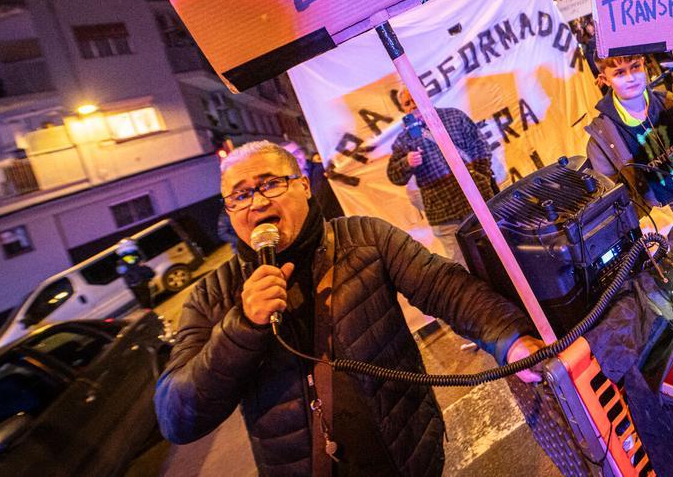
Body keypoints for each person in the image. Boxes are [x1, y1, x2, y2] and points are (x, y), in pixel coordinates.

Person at [156, 141, 539, 477]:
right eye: (239, 196)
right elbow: (177, 417)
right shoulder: (211, 295)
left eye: (270, 184)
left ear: (303, 185)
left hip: (407, 458)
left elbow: (445, 287)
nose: (256, 202)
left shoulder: (366, 238)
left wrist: (511, 340)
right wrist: (242, 326)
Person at [584, 54, 673, 223]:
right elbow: (615, 200)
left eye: (635, 67)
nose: (631, 78)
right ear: (605, 79)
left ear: (643, 64)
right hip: (664, 230)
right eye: (619, 73)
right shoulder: (602, 140)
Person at [386, 89, 493, 266]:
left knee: (499, 254)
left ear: (425, 96)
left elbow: (481, 147)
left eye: (415, 99)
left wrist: (479, 179)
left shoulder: (453, 116)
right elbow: (394, 176)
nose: (413, 105)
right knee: (465, 267)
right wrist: (407, 162)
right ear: (403, 110)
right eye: (407, 103)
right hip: (444, 217)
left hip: (479, 202)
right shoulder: (405, 140)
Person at [115, 238, 155, 310]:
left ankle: (149, 315)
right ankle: (151, 316)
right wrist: (150, 273)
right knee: (146, 302)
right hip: (139, 282)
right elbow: (139, 268)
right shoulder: (130, 258)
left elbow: (124, 272)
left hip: (132, 285)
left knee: (143, 303)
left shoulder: (121, 261)